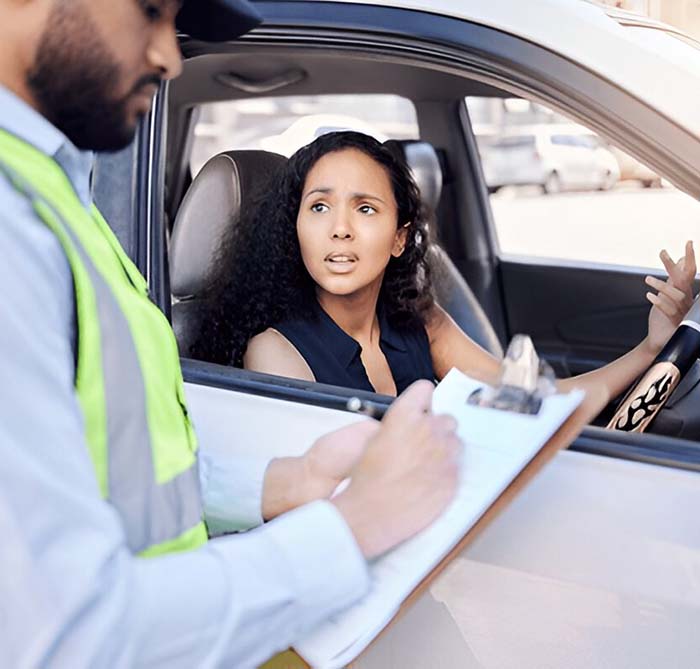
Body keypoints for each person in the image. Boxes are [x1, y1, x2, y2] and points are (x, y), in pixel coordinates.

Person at [0, 2, 462, 667]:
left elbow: (125, 474)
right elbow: (62, 631)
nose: (170, 57)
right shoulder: (12, 222)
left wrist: (289, 480)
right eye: (151, 11)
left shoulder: (49, 191)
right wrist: (354, 527)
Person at [191, 131, 696, 401]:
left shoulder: (420, 323)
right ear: (295, 227)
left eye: (365, 209)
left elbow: (540, 400)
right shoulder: (274, 351)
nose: (339, 228)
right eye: (319, 207)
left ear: (399, 237)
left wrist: (652, 348)